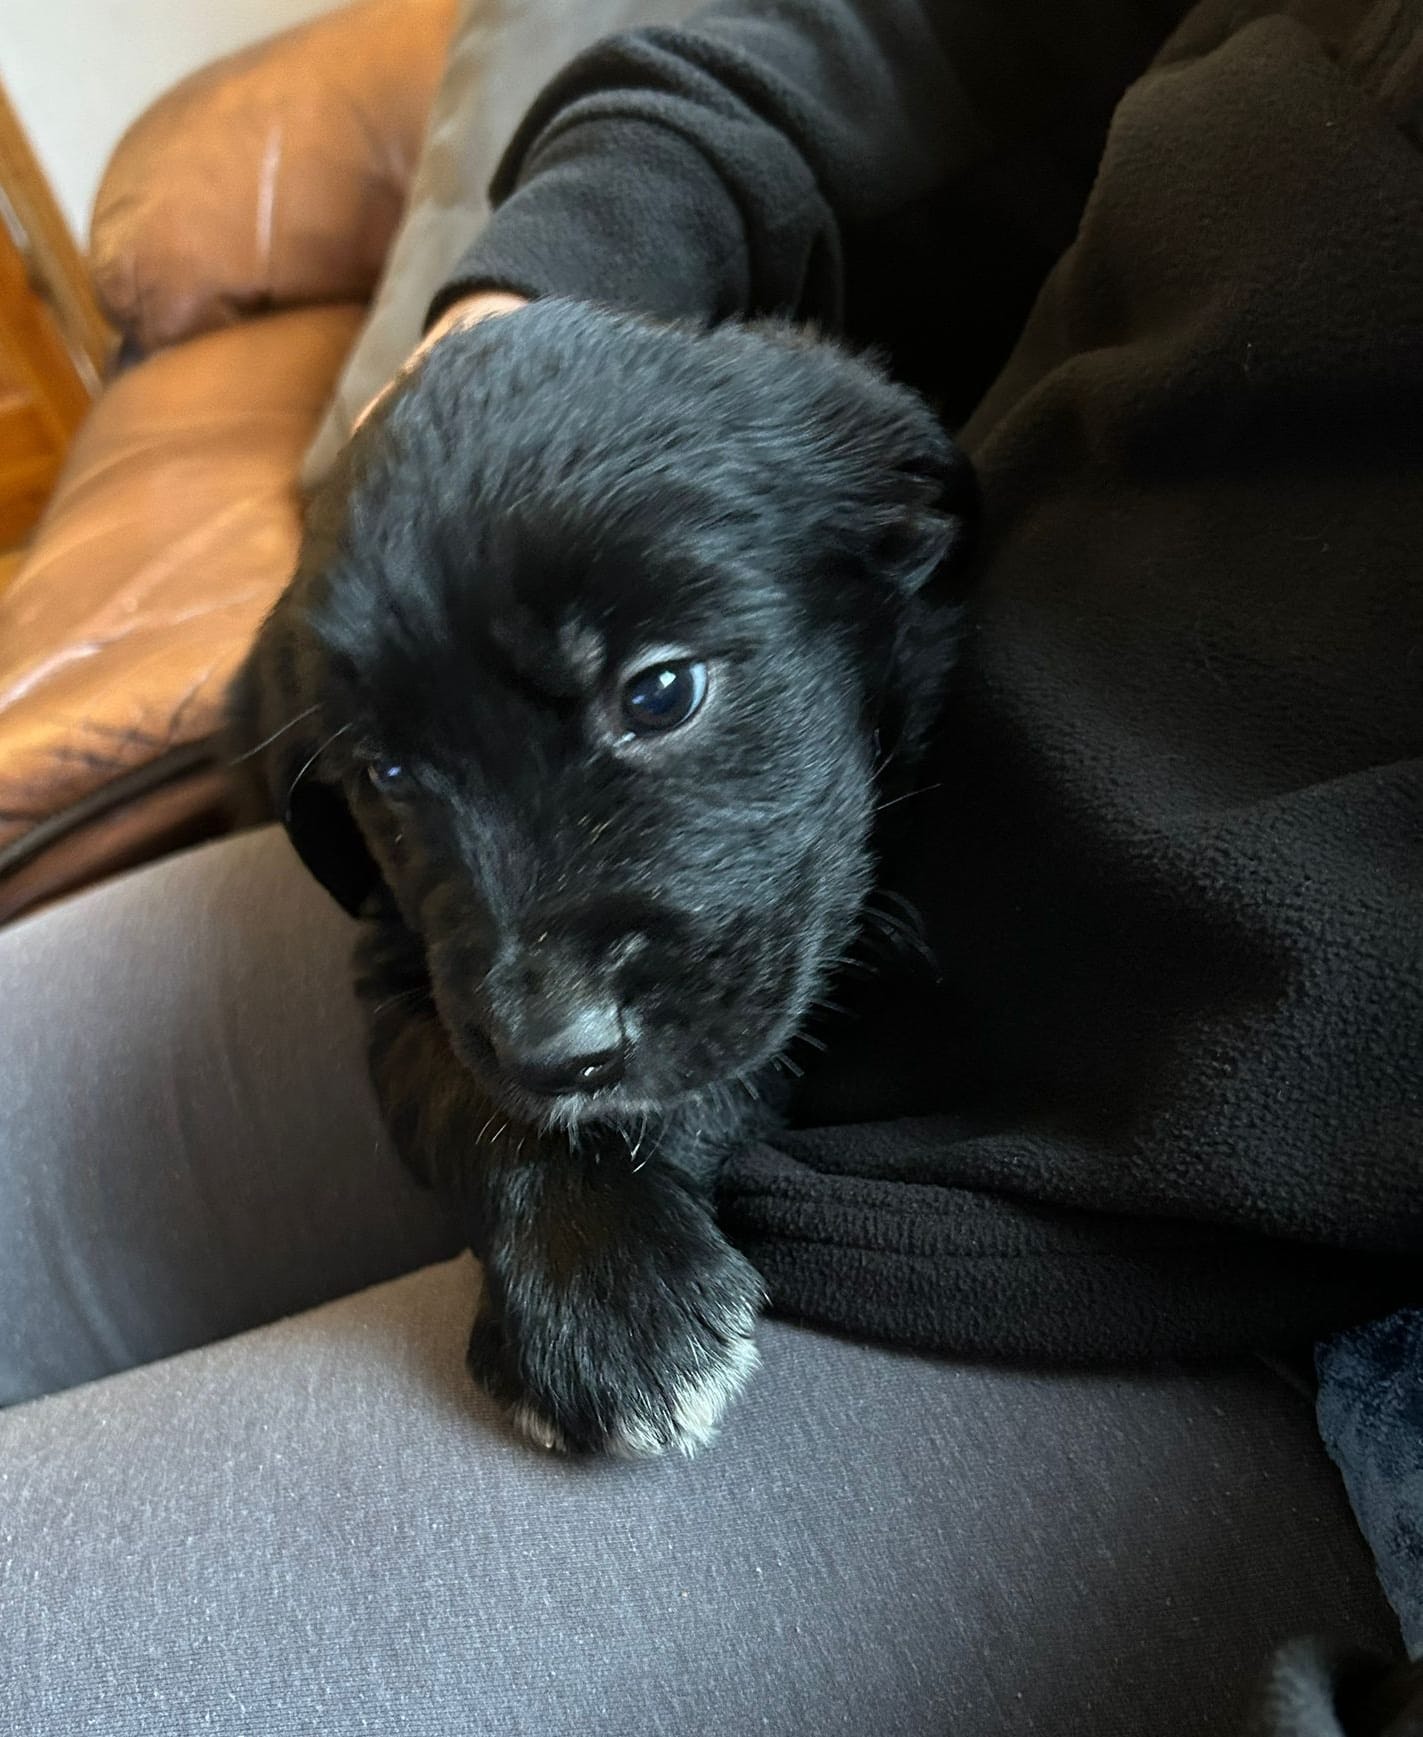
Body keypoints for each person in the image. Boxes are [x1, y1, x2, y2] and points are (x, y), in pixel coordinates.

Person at [2, 0, 1420, 1731]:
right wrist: (530, 296)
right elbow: (904, 27)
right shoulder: (796, 540)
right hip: (939, 756)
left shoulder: (850, 514)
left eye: (657, 695)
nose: (540, 1007)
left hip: (1190, 1243)